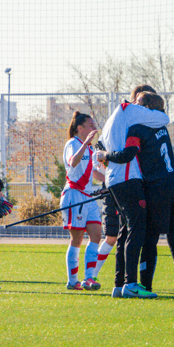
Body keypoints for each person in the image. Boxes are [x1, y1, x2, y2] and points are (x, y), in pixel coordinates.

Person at [102, 92, 174, 298]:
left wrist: (105, 155)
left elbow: (128, 154)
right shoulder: (161, 128)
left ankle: (144, 285)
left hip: (158, 189)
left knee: (147, 238)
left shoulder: (136, 129)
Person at [97, 84, 169, 299]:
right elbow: (163, 119)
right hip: (129, 179)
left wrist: (106, 155)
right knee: (136, 230)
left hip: (115, 180)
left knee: (124, 233)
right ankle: (131, 284)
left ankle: (119, 285)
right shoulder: (130, 109)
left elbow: (101, 148)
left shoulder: (114, 118)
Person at [60, 112, 104, 291]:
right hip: (74, 195)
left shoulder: (92, 149)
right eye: (91, 125)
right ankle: (72, 281)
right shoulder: (73, 143)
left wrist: (111, 182)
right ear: (80, 127)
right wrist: (85, 144)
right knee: (77, 238)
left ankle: (89, 278)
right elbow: (72, 162)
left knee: (96, 234)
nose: (94, 128)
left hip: (88, 195)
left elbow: (93, 172)